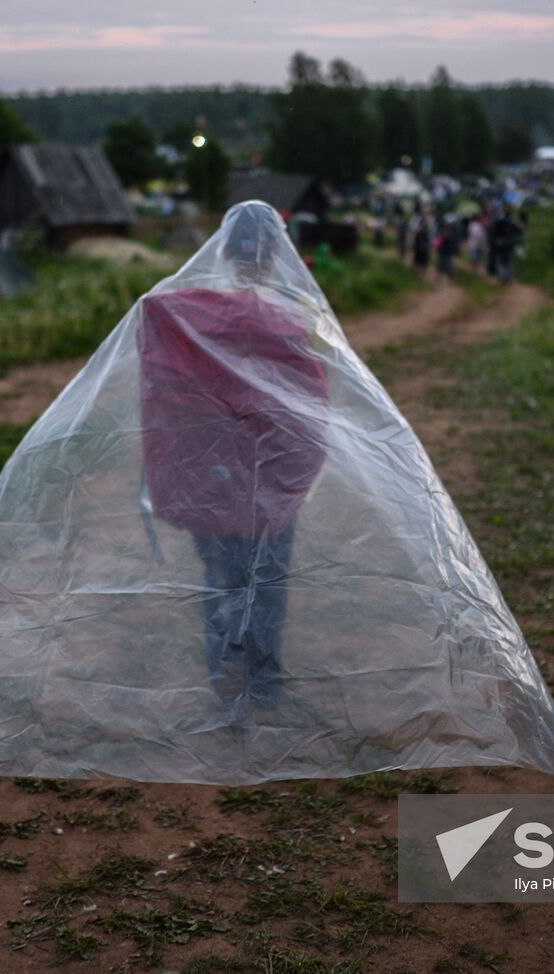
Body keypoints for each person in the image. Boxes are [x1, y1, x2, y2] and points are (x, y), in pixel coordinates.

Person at [138, 203, 329, 719]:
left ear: (222, 250)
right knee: (266, 581)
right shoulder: (287, 319)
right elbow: (309, 409)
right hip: (269, 481)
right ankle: (264, 683)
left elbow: (168, 391)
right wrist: (294, 478)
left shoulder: (190, 315)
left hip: (209, 479)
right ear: (277, 254)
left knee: (221, 578)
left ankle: (225, 676)